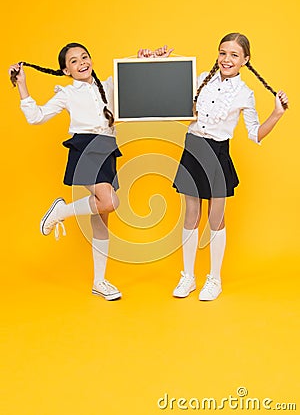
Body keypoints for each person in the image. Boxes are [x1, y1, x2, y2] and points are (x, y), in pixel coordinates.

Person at [9, 43, 173, 301]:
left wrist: (148, 60)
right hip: (85, 146)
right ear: (66, 70)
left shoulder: (107, 86)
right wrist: (22, 85)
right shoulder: (66, 93)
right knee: (109, 202)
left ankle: (99, 282)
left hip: (107, 148)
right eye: (74, 61)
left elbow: (133, 80)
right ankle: (61, 211)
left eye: (84, 57)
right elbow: (36, 117)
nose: (81, 62)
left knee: (101, 216)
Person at [172, 32, 288, 301]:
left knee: (216, 218)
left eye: (234, 55)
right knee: (191, 215)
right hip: (193, 147)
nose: (227, 59)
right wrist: (156, 60)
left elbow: (255, 134)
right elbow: (174, 99)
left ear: (245, 60)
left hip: (217, 152)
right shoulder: (202, 79)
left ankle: (214, 279)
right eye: (223, 53)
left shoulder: (245, 95)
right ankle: (188, 277)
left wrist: (278, 113)